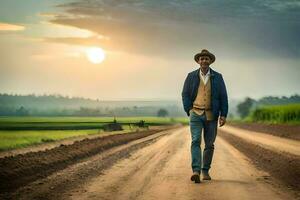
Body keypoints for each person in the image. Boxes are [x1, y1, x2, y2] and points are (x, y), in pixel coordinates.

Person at [181, 49, 228, 183]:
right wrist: (189, 109)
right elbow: (184, 94)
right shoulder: (191, 76)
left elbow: (223, 97)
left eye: (206, 59)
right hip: (195, 113)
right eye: (201, 59)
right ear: (198, 61)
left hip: (211, 114)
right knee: (195, 141)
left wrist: (223, 115)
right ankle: (196, 170)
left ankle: (205, 170)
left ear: (210, 61)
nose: (204, 61)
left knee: (209, 144)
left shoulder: (218, 77)